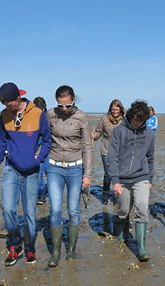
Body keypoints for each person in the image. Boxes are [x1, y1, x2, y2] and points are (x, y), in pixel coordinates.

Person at [0, 82, 51, 266]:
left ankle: (30, 249)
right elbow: (1, 142)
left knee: (30, 214)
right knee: (8, 209)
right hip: (11, 169)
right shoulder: (4, 115)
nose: (6, 107)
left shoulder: (38, 114)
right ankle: (15, 246)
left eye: (8, 103)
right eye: (3, 104)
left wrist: (37, 159)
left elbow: (47, 141)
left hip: (31, 172)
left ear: (17, 98)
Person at [46, 85, 93, 267]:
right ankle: (56, 251)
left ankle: (71, 249)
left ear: (73, 101)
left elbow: (87, 147)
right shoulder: (50, 115)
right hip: (54, 167)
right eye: (60, 106)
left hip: (75, 168)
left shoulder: (82, 117)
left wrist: (87, 174)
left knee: (73, 210)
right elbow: (43, 138)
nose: (64, 110)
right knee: (56, 210)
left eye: (68, 106)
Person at [108, 100, 155, 261]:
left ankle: (141, 249)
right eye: (135, 119)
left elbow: (151, 157)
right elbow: (112, 157)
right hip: (121, 178)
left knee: (142, 209)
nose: (137, 123)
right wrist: (115, 180)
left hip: (141, 177)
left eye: (140, 121)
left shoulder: (149, 133)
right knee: (123, 210)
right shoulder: (119, 131)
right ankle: (121, 229)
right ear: (130, 116)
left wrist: (150, 178)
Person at [91, 99, 125, 205]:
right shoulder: (104, 119)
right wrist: (94, 136)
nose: (115, 111)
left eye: (117, 109)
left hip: (121, 151)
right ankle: (105, 194)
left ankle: (117, 195)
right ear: (110, 109)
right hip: (106, 150)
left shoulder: (124, 120)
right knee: (109, 173)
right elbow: (99, 132)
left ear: (120, 110)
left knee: (119, 174)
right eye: (113, 109)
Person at [33, 96, 49, 205]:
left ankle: (48, 191)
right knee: (39, 173)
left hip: (48, 148)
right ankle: (40, 195)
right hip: (37, 148)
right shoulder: (32, 116)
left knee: (50, 173)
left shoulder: (48, 117)